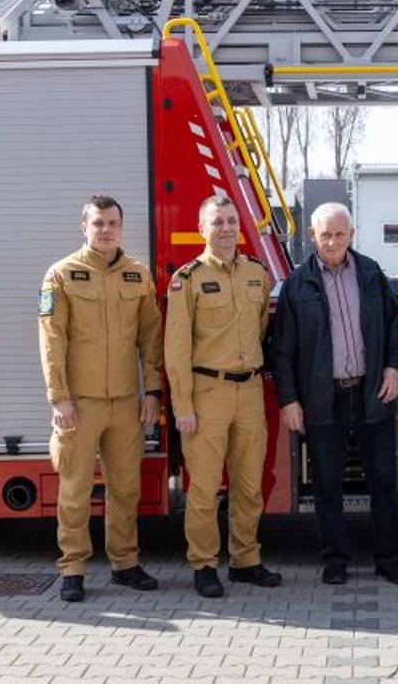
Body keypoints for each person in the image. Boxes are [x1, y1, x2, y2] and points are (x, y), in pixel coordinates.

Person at [269, 202, 398, 586]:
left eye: (339, 234)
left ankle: (388, 560)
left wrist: (394, 367)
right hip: (322, 398)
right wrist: (289, 399)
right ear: (311, 236)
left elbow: (395, 331)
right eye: (325, 234)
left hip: (370, 393)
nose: (332, 241)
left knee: (383, 481)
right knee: (327, 485)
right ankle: (335, 561)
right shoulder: (297, 285)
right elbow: (282, 350)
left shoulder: (371, 274)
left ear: (351, 234)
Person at [39, 195, 164, 603]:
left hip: (126, 403)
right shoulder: (61, 275)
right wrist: (59, 398)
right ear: (84, 227)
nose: (106, 230)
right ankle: (72, 568)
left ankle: (125, 564)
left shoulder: (138, 275)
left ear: (121, 227)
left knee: (125, 489)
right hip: (80, 403)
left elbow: (151, 338)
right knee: (75, 491)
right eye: (98, 223)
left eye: (113, 223)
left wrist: (153, 391)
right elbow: (52, 340)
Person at [165, 195, 284, 598]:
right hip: (206, 394)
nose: (227, 228)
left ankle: (245, 560)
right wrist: (183, 406)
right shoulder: (187, 279)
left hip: (249, 390)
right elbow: (176, 350)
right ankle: (203, 564)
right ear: (202, 228)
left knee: (249, 484)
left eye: (232, 221)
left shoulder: (256, 273)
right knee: (204, 488)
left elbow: (261, 327)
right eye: (217, 222)